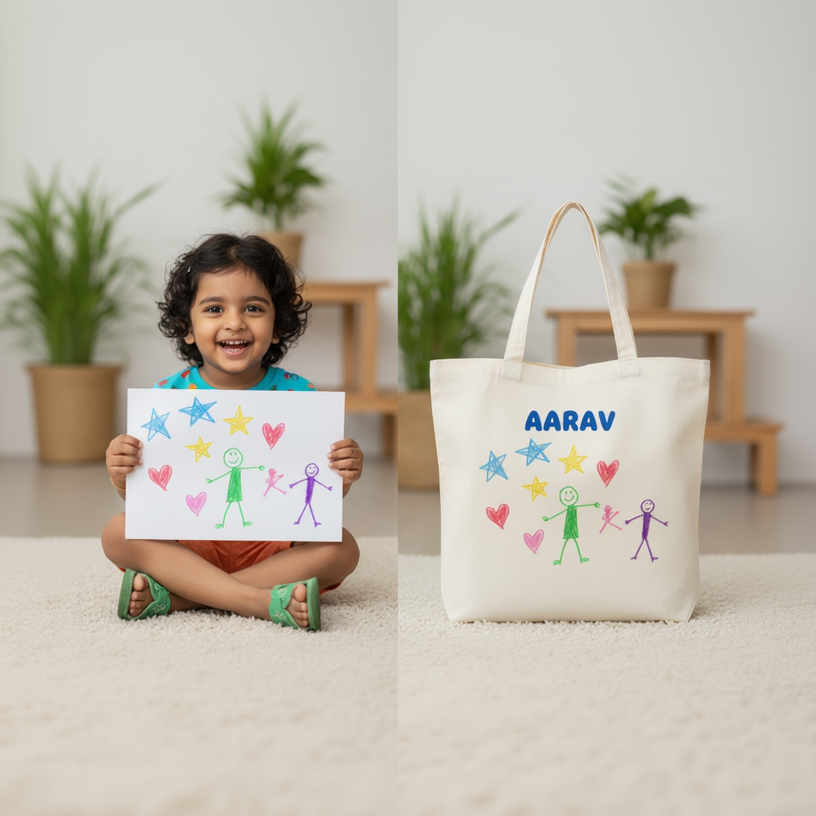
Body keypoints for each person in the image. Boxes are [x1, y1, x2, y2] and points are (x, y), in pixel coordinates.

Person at [102, 233, 363, 631]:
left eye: (254, 308)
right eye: (214, 308)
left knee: (342, 548)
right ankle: (259, 601)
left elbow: (318, 502)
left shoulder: (301, 395)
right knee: (117, 532)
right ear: (186, 326)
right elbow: (148, 500)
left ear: (277, 325)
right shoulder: (166, 397)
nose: (235, 322)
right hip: (188, 543)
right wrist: (121, 473)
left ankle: (179, 597)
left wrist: (343, 473)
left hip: (273, 545)